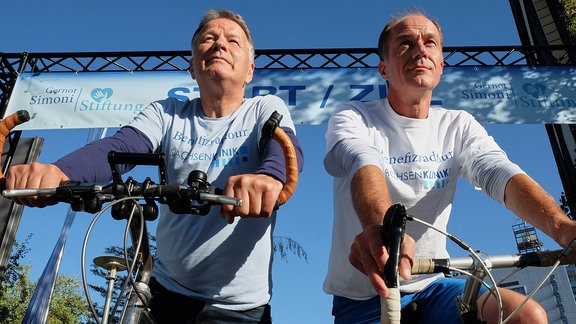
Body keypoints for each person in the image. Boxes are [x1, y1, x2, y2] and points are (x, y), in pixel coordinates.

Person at [6, 9, 304, 323]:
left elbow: (286, 149)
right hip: (168, 293)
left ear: (250, 71)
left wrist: (270, 177)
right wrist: (61, 172)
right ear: (191, 66)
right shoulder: (166, 112)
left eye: (233, 41)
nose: (220, 46)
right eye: (208, 40)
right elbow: (121, 148)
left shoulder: (264, 108)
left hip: (241, 309)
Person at [322, 10, 576, 324]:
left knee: (528, 316)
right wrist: (386, 230)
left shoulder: (458, 124)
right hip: (366, 294)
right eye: (405, 43)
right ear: (383, 68)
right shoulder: (353, 115)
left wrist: (562, 227)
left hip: (432, 283)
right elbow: (362, 161)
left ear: (441, 64)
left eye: (430, 43)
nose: (420, 49)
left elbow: (498, 172)